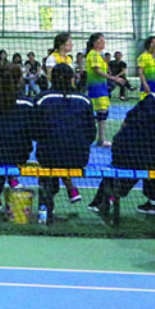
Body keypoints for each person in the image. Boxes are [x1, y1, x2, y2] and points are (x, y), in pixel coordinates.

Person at [91, 91, 155, 217]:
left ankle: (101, 200)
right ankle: (152, 202)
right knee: (148, 168)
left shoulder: (150, 99)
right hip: (144, 154)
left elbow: (126, 121)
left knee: (121, 170)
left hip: (122, 147)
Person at [34, 64, 95, 222]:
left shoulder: (42, 99)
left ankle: (45, 207)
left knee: (49, 159)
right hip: (79, 157)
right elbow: (91, 134)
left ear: (52, 78)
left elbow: (34, 131)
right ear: (72, 78)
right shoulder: (85, 100)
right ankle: (70, 188)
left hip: (49, 156)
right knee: (59, 152)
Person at [0, 65, 33, 214]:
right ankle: (12, 177)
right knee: (12, 146)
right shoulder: (28, 103)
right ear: (19, 80)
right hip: (20, 154)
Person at [85, 33, 119, 146]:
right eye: (101, 40)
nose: (104, 42)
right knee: (102, 112)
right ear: (94, 42)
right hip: (96, 88)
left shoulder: (99, 55)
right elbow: (97, 70)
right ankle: (100, 138)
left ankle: (100, 138)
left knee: (102, 112)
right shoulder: (93, 54)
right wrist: (113, 78)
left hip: (101, 87)